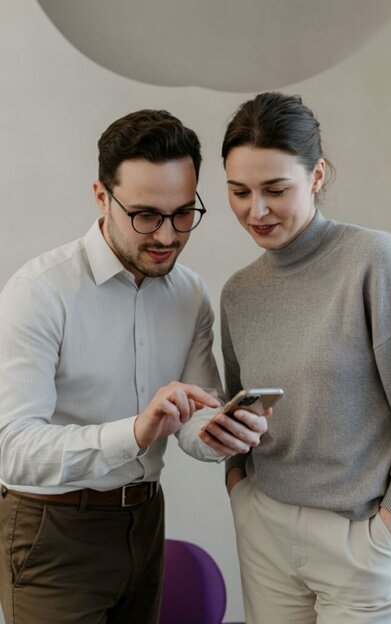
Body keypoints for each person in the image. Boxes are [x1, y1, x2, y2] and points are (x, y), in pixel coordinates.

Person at [0, 109, 268, 624]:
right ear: (102, 197)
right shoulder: (39, 293)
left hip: (146, 521)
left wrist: (222, 430)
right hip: (52, 532)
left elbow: (193, 416)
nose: (167, 237)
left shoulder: (189, 292)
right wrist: (135, 432)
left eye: (183, 213)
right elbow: (14, 451)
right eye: (145, 215)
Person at [213, 92, 391, 623]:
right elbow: (238, 411)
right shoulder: (239, 293)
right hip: (265, 527)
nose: (257, 210)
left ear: (317, 176)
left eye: (276, 189)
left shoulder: (373, 259)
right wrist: (238, 486)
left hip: (359, 537)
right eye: (239, 191)